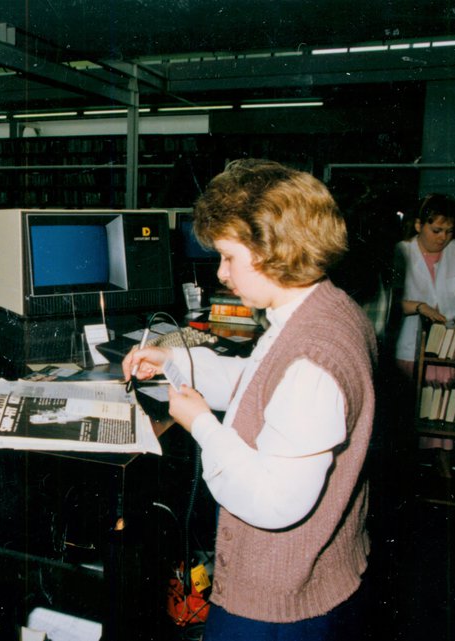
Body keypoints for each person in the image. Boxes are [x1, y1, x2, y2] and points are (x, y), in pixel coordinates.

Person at [123, 159, 376, 640]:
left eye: (228, 256)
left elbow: (272, 501)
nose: (222, 273)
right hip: (321, 571)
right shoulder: (325, 308)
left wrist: (201, 423)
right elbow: (262, 383)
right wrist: (174, 361)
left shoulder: (313, 359)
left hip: (279, 598)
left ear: (272, 250)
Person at [393, 193, 455, 475]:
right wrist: (419, 307)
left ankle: (445, 477)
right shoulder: (400, 252)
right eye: (436, 230)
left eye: (449, 231)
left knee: (445, 424)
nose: (443, 238)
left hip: (449, 351)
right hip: (408, 352)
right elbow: (387, 301)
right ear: (418, 225)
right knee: (408, 424)